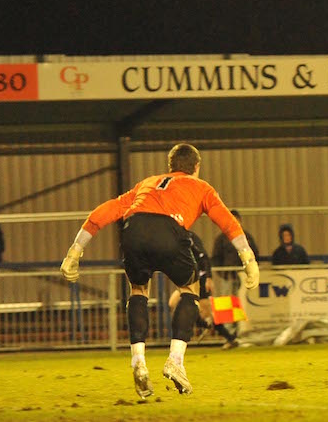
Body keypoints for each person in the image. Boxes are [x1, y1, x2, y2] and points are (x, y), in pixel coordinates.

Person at [59, 144, 259, 398]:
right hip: (169, 230)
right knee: (190, 288)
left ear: (170, 166)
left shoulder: (148, 183)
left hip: (134, 229)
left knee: (138, 290)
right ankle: (175, 361)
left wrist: (76, 249)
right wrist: (248, 257)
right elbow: (227, 222)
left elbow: (109, 209)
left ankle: (138, 362)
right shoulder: (201, 187)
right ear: (196, 167)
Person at [168, 231, 241, 350]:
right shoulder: (173, 238)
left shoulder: (189, 236)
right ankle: (206, 324)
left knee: (205, 313)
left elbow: (204, 257)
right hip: (187, 280)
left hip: (199, 279)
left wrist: (208, 277)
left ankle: (230, 337)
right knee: (173, 303)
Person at [211, 210, 260, 293]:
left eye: (236, 220)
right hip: (228, 276)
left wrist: (251, 270)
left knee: (244, 296)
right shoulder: (221, 239)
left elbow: (254, 253)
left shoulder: (247, 237)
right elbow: (216, 257)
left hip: (244, 274)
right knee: (227, 297)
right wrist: (223, 273)